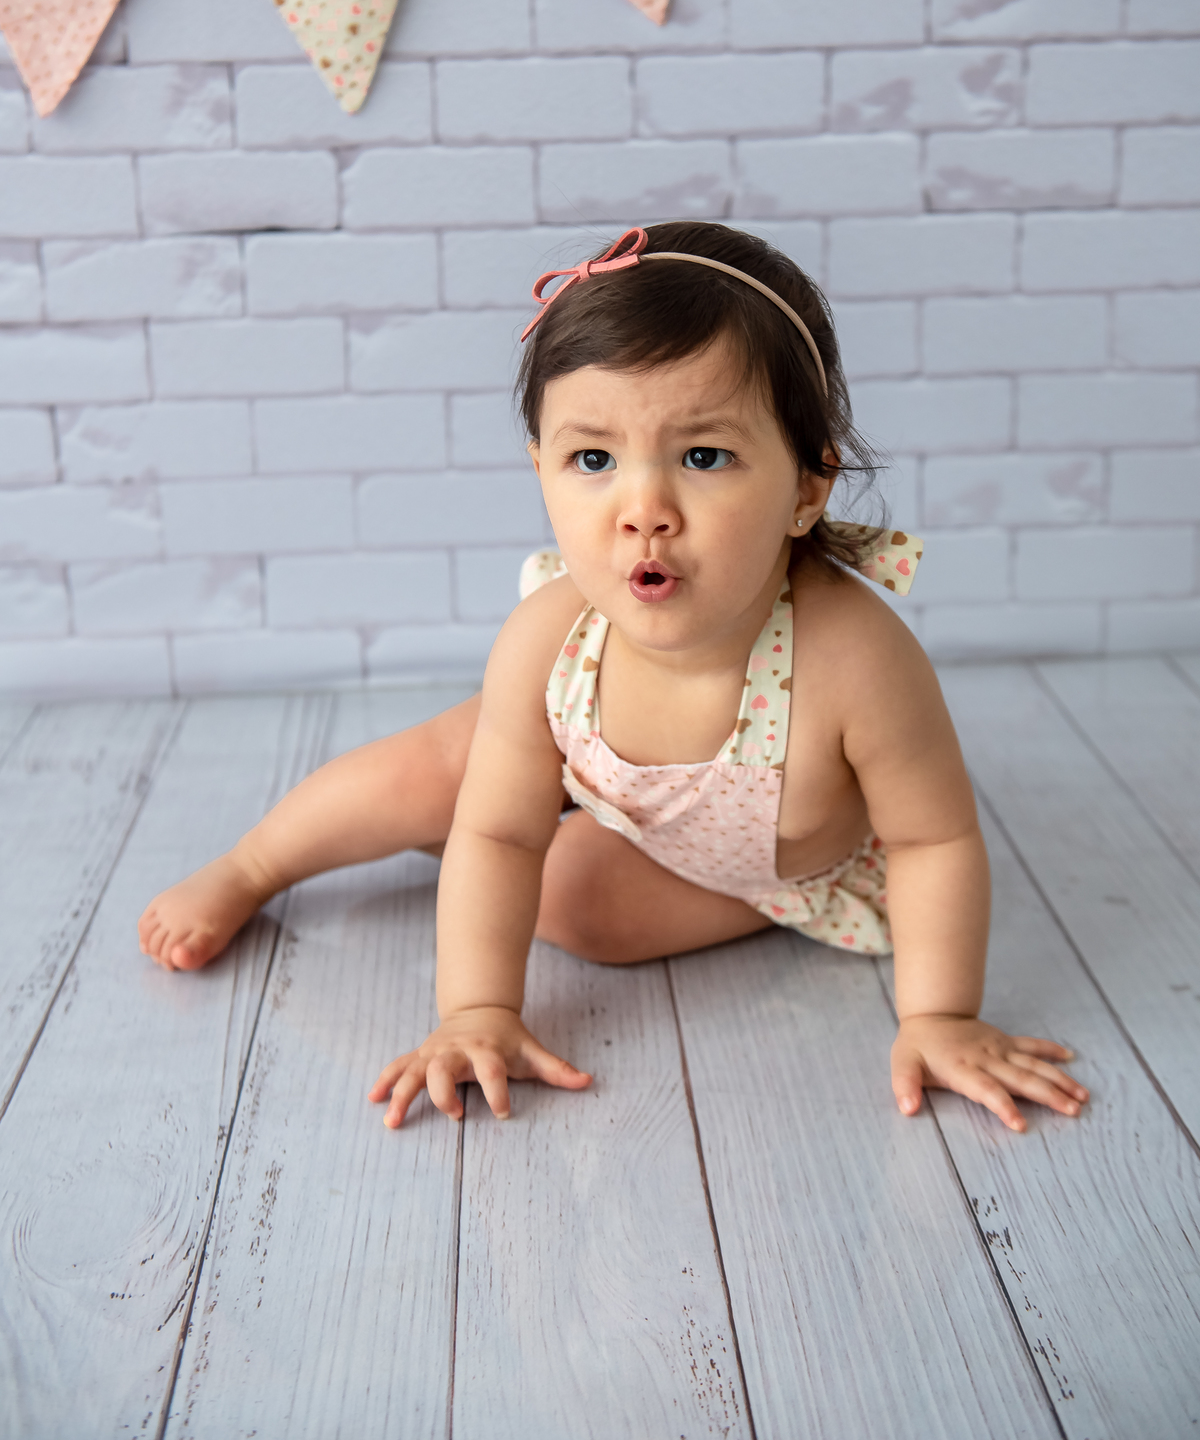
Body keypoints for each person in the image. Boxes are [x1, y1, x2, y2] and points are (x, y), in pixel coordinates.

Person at [139, 221, 1088, 1136]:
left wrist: (939, 1016)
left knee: (574, 901)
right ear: (541, 470)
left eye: (704, 456)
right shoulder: (551, 637)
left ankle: (484, 838)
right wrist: (476, 1010)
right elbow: (499, 831)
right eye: (592, 458)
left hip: (755, 874)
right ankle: (254, 864)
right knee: (448, 768)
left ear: (807, 486)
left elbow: (932, 839)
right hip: (602, 784)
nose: (644, 510)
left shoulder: (855, 661)